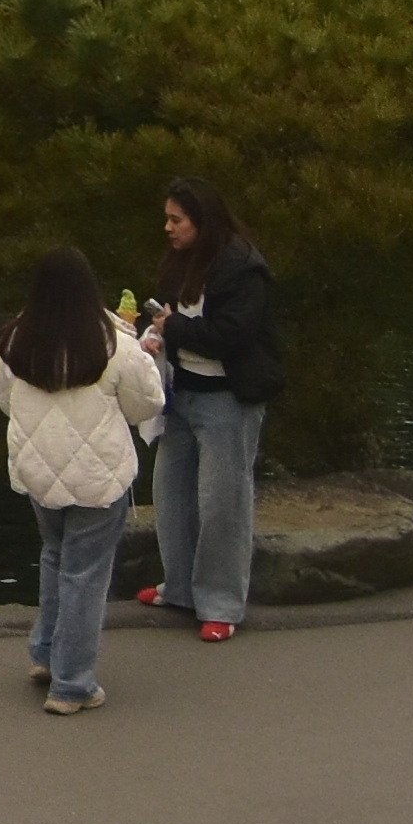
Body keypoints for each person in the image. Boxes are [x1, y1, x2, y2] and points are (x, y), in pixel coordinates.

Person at [0, 247, 167, 715]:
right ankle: (72, 683)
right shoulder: (114, 342)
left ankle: (45, 653)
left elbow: (2, 397)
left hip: (38, 471)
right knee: (85, 574)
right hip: (98, 477)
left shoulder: (16, 337)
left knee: (54, 556)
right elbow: (147, 404)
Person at [137, 176, 278, 641]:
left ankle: (221, 603)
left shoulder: (242, 268)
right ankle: (179, 586)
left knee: (222, 501)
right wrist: (156, 334)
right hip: (182, 393)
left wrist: (173, 328)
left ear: (202, 220)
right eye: (167, 218)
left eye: (177, 219)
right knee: (172, 492)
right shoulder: (180, 261)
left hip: (227, 399)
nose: (168, 228)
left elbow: (230, 335)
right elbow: (173, 320)